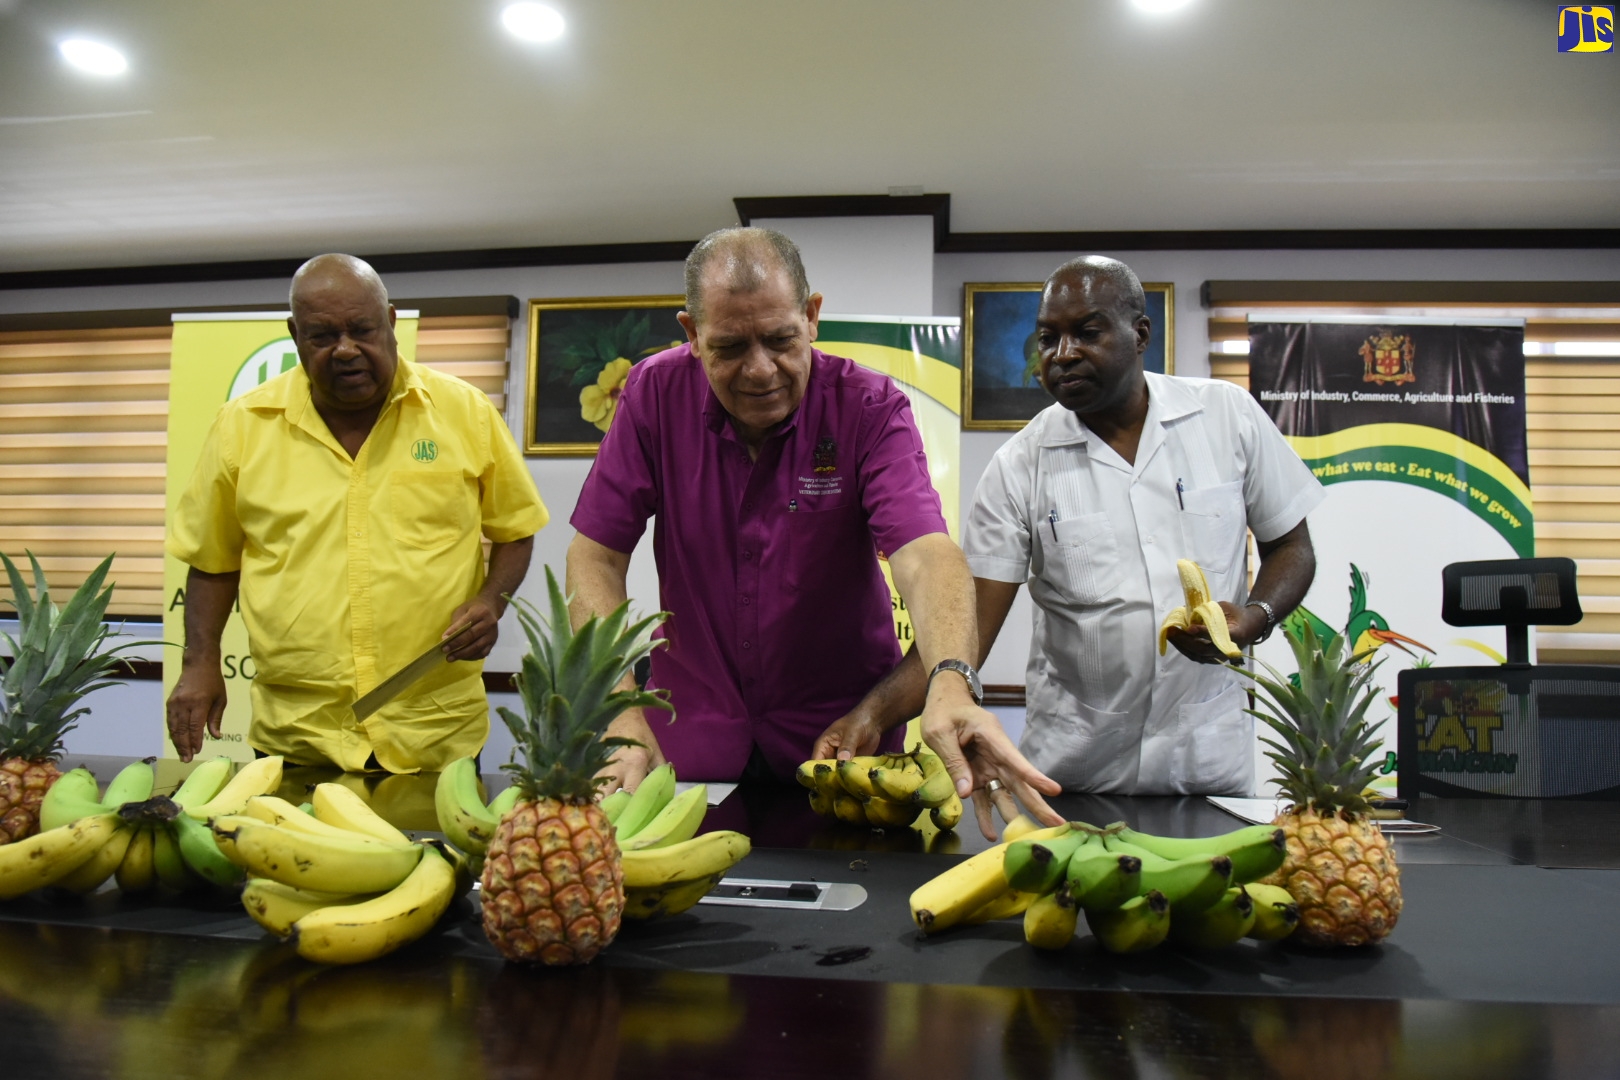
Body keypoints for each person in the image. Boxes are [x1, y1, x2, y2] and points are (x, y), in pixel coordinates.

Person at [566, 227, 1060, 835]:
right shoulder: (652, 396)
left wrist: (952, 682)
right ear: (691, 335)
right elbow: (596, 557)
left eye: (780, 340)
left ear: (813, 316)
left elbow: (924, 554)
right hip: (688, 733)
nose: (759, 370)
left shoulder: (870, 407)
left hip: (844, 738)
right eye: (728, 347)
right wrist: (617, 708)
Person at [165, 254, 547, 772]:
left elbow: (516, 529)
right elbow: (213, 559)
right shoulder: (242, 426)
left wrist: (490, 602)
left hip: (433, 731)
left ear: (390, 322)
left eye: (362, 329)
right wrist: (199, 661)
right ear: (294, 335)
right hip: (295, 735)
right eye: (322, 336)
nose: (345, 350)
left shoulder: (464, 412)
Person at [963, 255, 1322, 798]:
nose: (1063, 355)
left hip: (1208, 771)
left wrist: (1254, 617)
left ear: (1140, 334)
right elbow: (968, 632)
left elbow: (1291, 547)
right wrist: (916, 704)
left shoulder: (1227, 416)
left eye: (1087, 332)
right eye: (1047, 339)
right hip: (1074, 777)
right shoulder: (1021, 463)